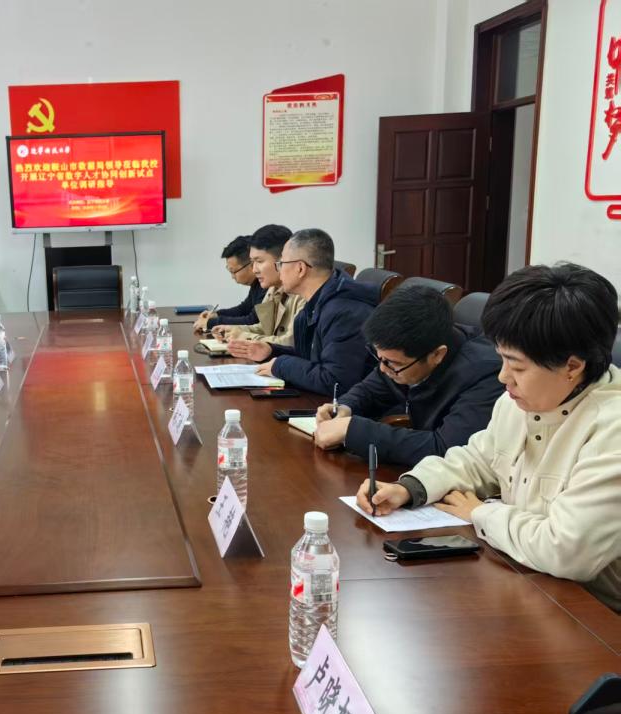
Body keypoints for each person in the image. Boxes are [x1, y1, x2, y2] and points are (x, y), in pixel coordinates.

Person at [357, 263, 621, 612]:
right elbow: (477, 459)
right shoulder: (519, 401)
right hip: (526, 579)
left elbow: (565, 550)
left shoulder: (611, 429)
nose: (503, 377)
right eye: (502, 359)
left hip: (595, 614)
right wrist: (410, 488)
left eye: (517, 365)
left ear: (572, 366)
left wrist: (482, 514)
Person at [313, 285, 503, 465]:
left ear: (437, 355)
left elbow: (447, 449)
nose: (382, 369)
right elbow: (370, 391)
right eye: (379, 357)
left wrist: (354, 431)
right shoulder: (405, 354)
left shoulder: (486, 373)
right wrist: (345, 407)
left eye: (392, 363)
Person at [230, 228, 376, 395]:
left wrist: (281, 365)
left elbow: (335, 381)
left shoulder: (344, 312)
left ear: (300, 268)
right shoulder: (317, 301)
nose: (279, 270)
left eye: (281, 264)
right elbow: (311, 356)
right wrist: (271, 350)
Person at [213, 224, 304, 348]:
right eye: (252, 262)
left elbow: (291, 343)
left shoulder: (302, 293)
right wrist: (232, 330)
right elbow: (264, 327)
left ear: (283, 259)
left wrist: (243, 336)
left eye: (259, 261)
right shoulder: (273, 289)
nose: (254, 270)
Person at [193, 235, 265, 333]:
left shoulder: (267, 285)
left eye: (233, 271)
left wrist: (211, 323)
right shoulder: (256, 283)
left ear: (250, 265)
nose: (232, 276)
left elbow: (253, 321)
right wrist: (216, 315)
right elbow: (243, 309)